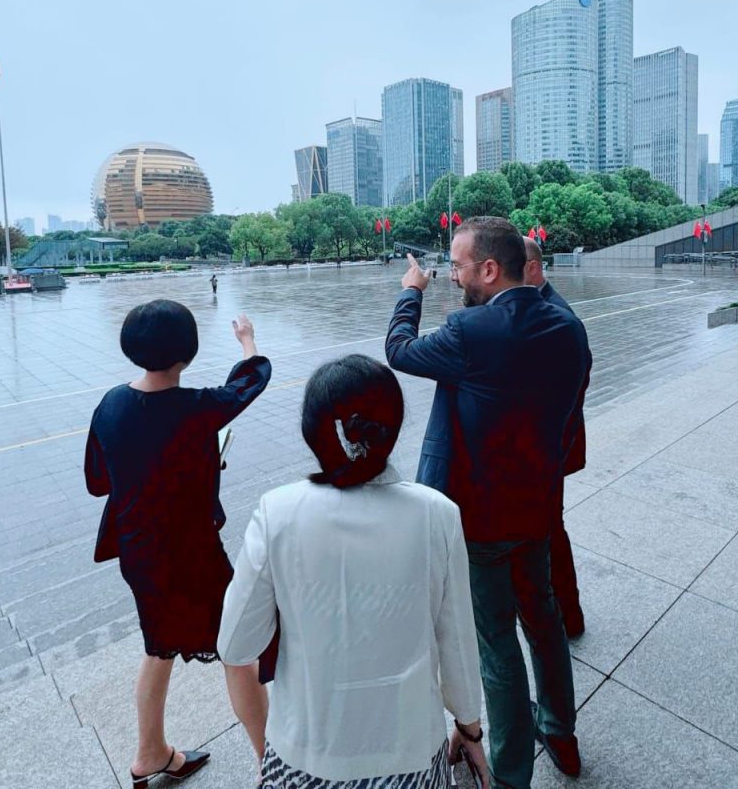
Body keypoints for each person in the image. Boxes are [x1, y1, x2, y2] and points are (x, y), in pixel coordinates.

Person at [218, 354, 489, 789]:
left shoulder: (278, 512)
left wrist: (269, 748)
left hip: (305, 754)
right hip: (413, 752)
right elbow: (456, 640)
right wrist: (470, 728)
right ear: (392, 427)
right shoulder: (438, 514)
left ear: (313, 432)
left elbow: (234, 648)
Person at [385, 217, 589, 789]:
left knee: (498, 642)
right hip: (540, 509)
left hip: (482, 523)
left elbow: (399, 351)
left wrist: (410, 292)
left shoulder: (471, 332)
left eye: (459, 266)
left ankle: (511, 774)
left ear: (490, 269)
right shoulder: (568, 327)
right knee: (543, 621)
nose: (453, 276)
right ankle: (561, 734)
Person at [84, 300, 271, 788]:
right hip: (192, 556)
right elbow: (246, 385)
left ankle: (150, 754)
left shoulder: (110, 405)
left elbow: (99, 482)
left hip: (140, 554)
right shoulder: (197, 409)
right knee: (236, 651)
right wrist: (248, 340)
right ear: (187, 353)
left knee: (159, 645)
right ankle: (271, 764)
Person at [523, 237, 592, 638]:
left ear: (532, 267)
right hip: (550, 446)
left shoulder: (554, 314)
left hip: (549, 448)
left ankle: (567, 615)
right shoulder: (546, 307)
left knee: (549, 531)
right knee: (548, 529)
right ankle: (560, 610)